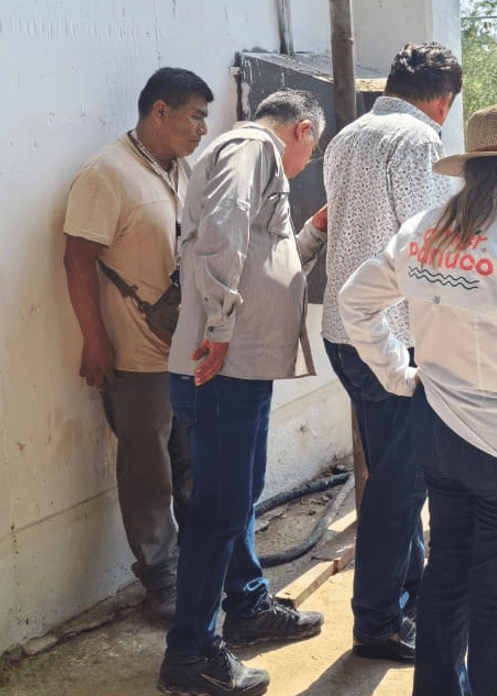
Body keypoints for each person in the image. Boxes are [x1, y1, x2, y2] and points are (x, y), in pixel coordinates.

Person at [339, 103, 497, 696]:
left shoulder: (423, 230)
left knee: (447, 578)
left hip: (438, 435)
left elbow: (354, 300)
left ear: (470, 168)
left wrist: (400, 375)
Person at [158, 89, 328, 696]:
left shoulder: (254, 157)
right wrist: (219, 328)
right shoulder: (252, 146)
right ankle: (190, 655)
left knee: (236, 498)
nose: (305, 165)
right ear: (302, 130)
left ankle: (248, 607)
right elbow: (222, 229)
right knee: (219, 511)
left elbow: (264, 262)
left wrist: (311, 233)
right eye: (312, 150)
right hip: (220, 369)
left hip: (238, 371)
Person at [319, 41, 462, 664]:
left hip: (343, 332)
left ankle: (408, 593)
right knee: (400, 488)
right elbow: (432, 246)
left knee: (393, 475)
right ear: (443, 101)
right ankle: (376, 624)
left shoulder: (345, 137)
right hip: (393, 339)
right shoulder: (422, 141)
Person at [62, 67, 212, 623]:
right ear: (160, 111)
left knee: (191, 461)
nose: (203, 128)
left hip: (186, 349)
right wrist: (95, 341)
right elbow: (77, 260)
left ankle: (199, 565)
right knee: (149, 471)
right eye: (196, 116)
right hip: (136, 353)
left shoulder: (181, 170)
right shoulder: (107, 174)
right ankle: (161, 578)